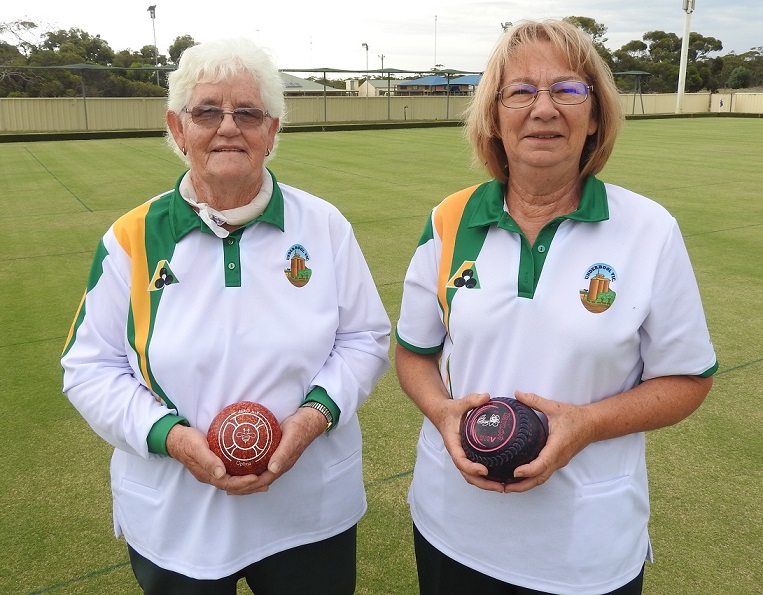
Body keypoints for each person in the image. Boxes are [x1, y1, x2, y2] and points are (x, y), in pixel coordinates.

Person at [395, 19, 717, 595]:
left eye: (569, 90)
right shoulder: (449, 220)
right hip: (452, 529)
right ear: (494, 117)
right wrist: (444, 414)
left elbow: (687, 379)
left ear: (595, 116)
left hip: (584, 550)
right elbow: (414, 353)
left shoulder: (648, 230)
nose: (544, 109)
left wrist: (586, 425)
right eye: (520, 91)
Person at [61, 38, 390, 595]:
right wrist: (170, 437)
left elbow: (364, 339)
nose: (229, 127)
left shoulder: (325, 226)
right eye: (208, 111)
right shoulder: (130, 239)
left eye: (249, 113)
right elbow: (89, 368)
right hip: (178, 519)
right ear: (177, 126)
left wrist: (310, 420)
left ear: (273, 130)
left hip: (308, 511)